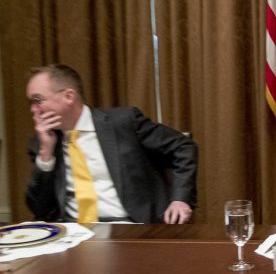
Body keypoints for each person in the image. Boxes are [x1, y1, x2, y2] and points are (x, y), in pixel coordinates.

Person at [25, 64, 198, 224]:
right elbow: (40, 209)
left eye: (38, 100)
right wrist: (46, 154)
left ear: (68, 96)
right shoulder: (43, 143)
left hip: (128, 227)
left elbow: (183, 147)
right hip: (73, 231)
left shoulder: (123, 122)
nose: (33, 109)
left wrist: (180, 199)